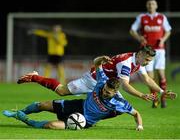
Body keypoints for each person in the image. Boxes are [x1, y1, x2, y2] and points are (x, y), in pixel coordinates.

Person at [3, 56, 147, 131]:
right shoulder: (102, 81)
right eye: (104, 90)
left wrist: (139, 126)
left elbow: (136, 114)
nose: (104, 93)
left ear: (115, 92)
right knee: (42, 105)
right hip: (77, 105)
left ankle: (26, 121)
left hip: (84, 121)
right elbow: (97, 64)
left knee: (51, 126)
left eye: (108, 93)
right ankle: (18, 113)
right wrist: (100, 59)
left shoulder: (120, 103)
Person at [17, 46, 176, 103]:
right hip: (93, 79)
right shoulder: (126, 62)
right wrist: (142, 95)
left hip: (106, 84)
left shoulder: (138, 61)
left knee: (120, 107)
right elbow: (126, 85)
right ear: (141, 54)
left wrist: (162, 92)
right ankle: (35, 76)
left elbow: (147, 78)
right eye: (147, 59)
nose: (148, 62)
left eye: (150, 60)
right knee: (61, 91)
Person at [129, 0, 172, 108]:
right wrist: (139, 38)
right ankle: (155, 98)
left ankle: (163, 98)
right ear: (146, 5)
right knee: (150, 77)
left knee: (161, 75)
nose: (151, 5)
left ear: (156, 6)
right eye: (149, 3)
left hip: (159, 50)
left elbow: (168, 30)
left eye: (153, 4)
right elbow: (132, 30)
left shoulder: (162, 17)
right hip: (146, 51)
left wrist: (163, 39)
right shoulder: (142, 17)